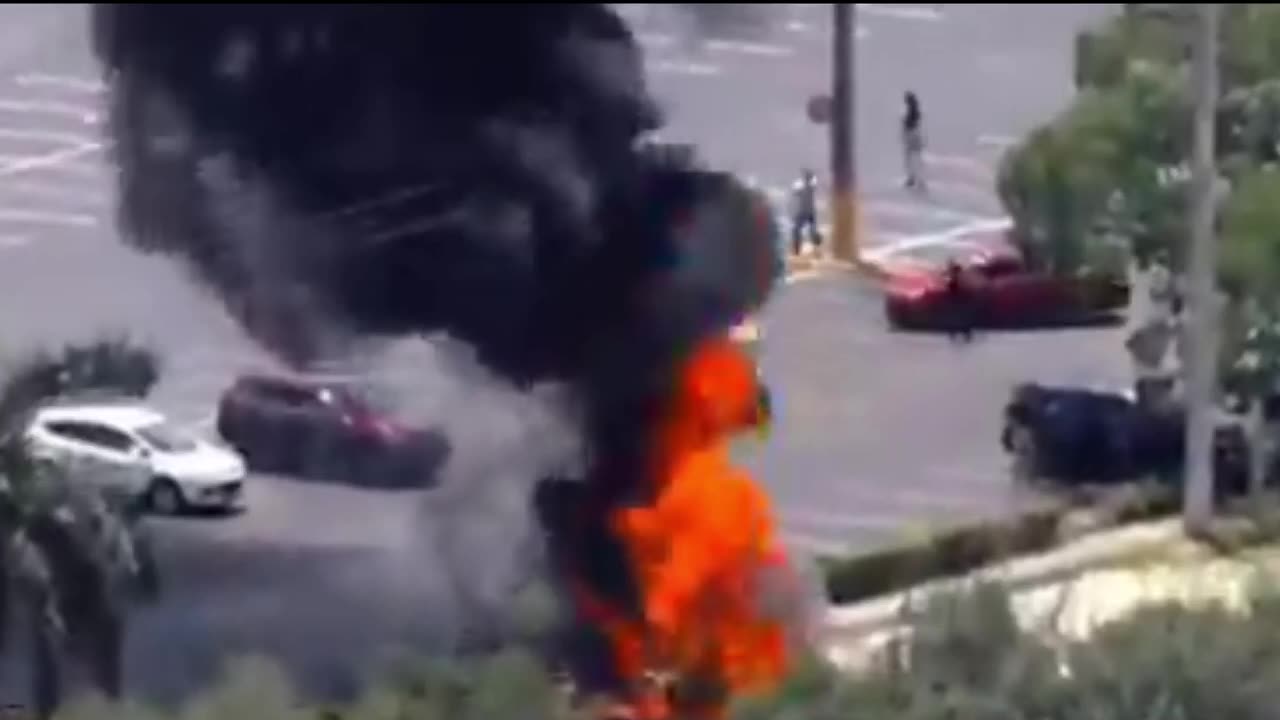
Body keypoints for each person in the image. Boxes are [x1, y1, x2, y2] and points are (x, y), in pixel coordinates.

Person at [788, 168, 822, 256]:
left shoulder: (811, 186)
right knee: (797, 230)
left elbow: (813, 184)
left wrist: (810, 176)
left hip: (809, 213)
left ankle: (816, 249)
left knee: (812, 232)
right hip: (804, 212)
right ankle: (797, 250)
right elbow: (795, 191)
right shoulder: (803, 187)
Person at [944, 259, 974, 343]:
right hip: (957, 299)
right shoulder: (955, 276)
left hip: (956, 298)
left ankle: (961, 331)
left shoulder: (954, 276)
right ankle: (963, 331)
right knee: (959, 315)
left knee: (957, 315)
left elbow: (952, 286)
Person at [902, 91, 926, 191]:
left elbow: (907, 126)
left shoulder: (909, 113)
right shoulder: (917, 112)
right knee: (918, 158)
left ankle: (912, 178)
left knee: (909, 158)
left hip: (911, 135)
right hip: (917, 135)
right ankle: (920, 180)